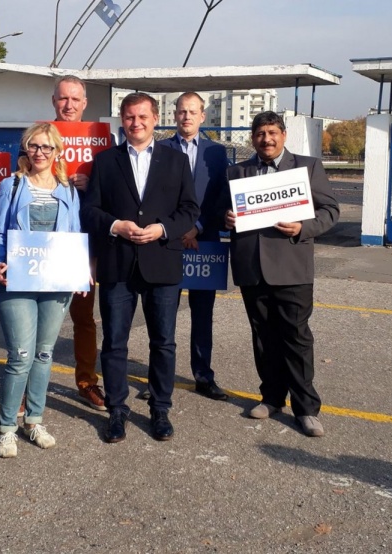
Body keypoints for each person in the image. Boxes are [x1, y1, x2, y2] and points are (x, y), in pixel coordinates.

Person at [82, 92, 199, 443]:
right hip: (118, 265)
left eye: (143, 117)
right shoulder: (104, 162)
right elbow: (90, 210)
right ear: (122, 119)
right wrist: (116, 225)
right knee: (115, 343)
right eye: (130, 117)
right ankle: (117, 410)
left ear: (155, 117)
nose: (136, 123)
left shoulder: (176, 161)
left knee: (163, 342)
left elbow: (189, 209)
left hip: (162, 263)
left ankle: (160, 408)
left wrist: (163, 228)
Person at [222, 111, 340, 437]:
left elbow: (331, 211)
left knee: (296, 338)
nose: (267, 139)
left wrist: (304, 227)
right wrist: (226, 219)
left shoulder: (308, 167)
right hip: (251, 268)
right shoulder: (237, 171)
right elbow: (220, 211)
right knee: (263, 337)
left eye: (272, 132)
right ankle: (271, 397)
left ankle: (306, 408)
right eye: (260, 134)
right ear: (253, 138)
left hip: (291, 269)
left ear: (284, 134)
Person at [0, 122, 85, 458]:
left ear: (58, 152)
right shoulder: (11, 185)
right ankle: (7, 428)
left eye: (47, 147)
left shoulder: (69, 191)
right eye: (34, 146)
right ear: (26, 149)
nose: (40, 153)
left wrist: (80, 273)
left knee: (45, 354)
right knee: (21, 356)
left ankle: (35, 420)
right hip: (19, 282)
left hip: (56, 284)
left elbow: (74, 237)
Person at [146, 91, 230, 401]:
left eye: (192, 111)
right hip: (168, 242)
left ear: (203, 116)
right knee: (162, 313)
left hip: (204, 243)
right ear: (174, 114)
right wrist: (179, 228)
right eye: (181, 111)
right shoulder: (160, 148)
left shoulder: (217, 153)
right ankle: (157, 378)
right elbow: (153, 195)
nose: (186, 117)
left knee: (202, 313)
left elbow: (220, 197)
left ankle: (203, 376)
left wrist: (197, 227)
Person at [51, 75, 107, 411]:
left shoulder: (97, 140)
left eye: (75, 99)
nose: (69, 105)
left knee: (83, 318)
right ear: (53, 101)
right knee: (43, 318)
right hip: (45, 242)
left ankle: (87, 382)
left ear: (85, 103)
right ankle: (29, 385)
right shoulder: (38, 137)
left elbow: (111, 192)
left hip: (86, 243)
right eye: (63, 99)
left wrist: (90, 184)